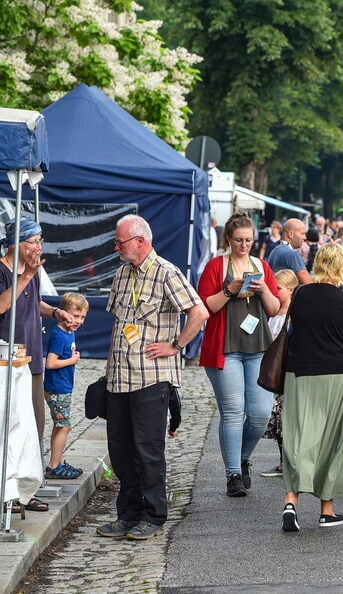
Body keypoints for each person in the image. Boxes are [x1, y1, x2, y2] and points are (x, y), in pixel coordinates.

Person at [97, 215, 208, 541]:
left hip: (151, 378)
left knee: (147, 449)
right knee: (120, 450)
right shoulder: (121, 273)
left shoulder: (166, 272)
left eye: (121, 243)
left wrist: (175, 345)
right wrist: (107, 371)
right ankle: (127, 514)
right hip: (119, 378)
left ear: (140, 241)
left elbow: (199, 312)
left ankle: (152, 514)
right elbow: (118, 326)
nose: (117, 248)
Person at [198, 212, 281, 497]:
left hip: (257, 347)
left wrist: (263, 290)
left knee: (260, 413)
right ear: (228, 239)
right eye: (238, 240)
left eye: (248, 240)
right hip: (226, 348)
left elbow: (274, 308)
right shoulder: (215, 266)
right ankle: (232, 473)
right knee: (233, 413)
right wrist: (230, 290)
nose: (244, 245)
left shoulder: (262, 265)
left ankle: (243, 458)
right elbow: (205, 307)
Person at [281, 243, 343, 532]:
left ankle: (291, 502)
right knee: (334, 440)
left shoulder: (300, 295)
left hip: (300, 373)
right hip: (336, 375)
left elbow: (293, 331)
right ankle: (327, 510)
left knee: (298, 437)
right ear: (339, 268)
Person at [0, 219, 75, 463]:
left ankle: (31, 479)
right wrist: (26, 275)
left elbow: (34, 302)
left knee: (35, 422)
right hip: (7, 361)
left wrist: (55, 312)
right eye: (33, 241)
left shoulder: (31, 271)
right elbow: (2, 305)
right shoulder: (3, 271)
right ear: (15, 243)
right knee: (12, 423)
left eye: (39, 241)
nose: (38, 247)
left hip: (32, 357)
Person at [43, 292, 89, 481]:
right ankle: (53, 466)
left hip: (63, 387)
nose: (78, 320)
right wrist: (72, 360)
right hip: (57, 388)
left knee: (60, 425)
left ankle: (59, 461)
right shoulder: (60, 335)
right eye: (74, 316)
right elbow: (50, 363)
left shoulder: (70, 332)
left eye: (82, 317)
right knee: (65, 426)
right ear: (64, 313)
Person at [260, 269, 300, 478]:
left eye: (279, 288)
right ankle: (283, 460)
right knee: (277, 421)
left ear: (291, 290)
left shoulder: (292, 317)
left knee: (286, 420)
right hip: (274, 373)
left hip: (285, 373)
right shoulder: (273, 314)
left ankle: (288, 462)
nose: (275, 291)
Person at [266, 217, 312, 285]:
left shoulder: (274, 251)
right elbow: (309, 285)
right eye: (302, 233)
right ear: (291, 234)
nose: (305, 237)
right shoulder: (292, 254)